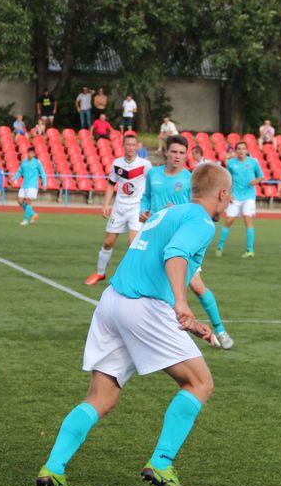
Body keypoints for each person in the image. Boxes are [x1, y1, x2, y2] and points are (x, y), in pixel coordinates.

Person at [35, 163, 233, 486]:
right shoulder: (200, 221)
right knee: (199, 382)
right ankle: (162, 461)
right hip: (142, 306)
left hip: (112, 301)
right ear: (222, 194)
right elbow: (175, 255)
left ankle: (53, 468)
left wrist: (188, 318)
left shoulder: (167, 213)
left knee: (101, 397)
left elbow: (154, 261)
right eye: (229, 198)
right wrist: (182, 304)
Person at [141, 136, 235, 349]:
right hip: (157, 235)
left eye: (182, 153)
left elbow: (197, 208)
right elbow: (145, 197)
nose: (178, 156)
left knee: (197, 285)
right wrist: (144, 212)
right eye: (174, 152)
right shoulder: (153, 174)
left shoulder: (190, 179)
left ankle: (220, 329)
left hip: (183, 240)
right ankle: (159, 323)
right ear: (166, 152)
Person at [85, 133, 152, 286]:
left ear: (138, 146)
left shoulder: (145, 165)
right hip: (119, 207)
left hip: (137, 208)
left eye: (133, 145)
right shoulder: (117, 163)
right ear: (123, 146)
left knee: (132, 242)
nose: (130, 147)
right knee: (108, 242)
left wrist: (148, 206)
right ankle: (100, 273)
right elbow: (111, 184)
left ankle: (133, 277)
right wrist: (106, 204)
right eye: (128, 144)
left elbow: (152, 184)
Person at [215, 141, 263, 259]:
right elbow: (227, 180)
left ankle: (250, 250)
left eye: (243, 149)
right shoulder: (231, 164)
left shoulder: (253, 162)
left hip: (249, 196)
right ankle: (220, 247)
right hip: (235, 197)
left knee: (248, 219)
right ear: (236, 151)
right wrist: (228, 194)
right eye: (239, 149)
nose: (241, 151)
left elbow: (261, 176)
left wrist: (256, 181)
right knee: (229, 220)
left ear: (247, 150)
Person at [12, 147, 46, 226]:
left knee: (28, 201)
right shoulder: (24, 162)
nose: (30, 154)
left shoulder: (37, 162)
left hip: (33, 185)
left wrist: (44, 183)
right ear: (27, 153)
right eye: (28, 153)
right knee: (20, 201)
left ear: (34, 154)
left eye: (31, 153)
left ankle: (26, 220)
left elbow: (43, 173)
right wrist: (13, 179)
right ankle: (33, 214)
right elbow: (19, 172)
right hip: (24, 185)